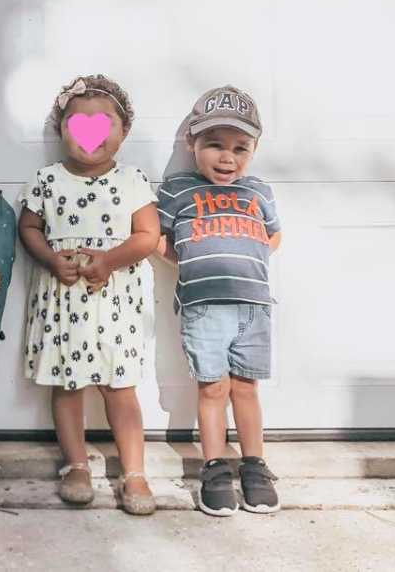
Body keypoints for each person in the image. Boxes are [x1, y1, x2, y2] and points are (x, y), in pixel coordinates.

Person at [18, 75, 160, 515]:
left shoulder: (132, 180)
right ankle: (75, 464)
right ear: (62, 129)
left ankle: (134, 472)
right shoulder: (46, 179)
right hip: (63, 302)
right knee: (67, 386)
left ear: (123, 132)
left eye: (102, 124)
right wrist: (49, 258)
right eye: (77, 123)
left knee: (120, 388)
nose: (89, 134)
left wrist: (110, 260)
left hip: (114, 301)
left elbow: (148, 236)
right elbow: (29, 227)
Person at [156, 85, 282, 516]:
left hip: (253, 306)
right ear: (192, 143)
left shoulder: (258, 191)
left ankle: (254, 465)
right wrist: (190, 260)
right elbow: (161, 239)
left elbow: (274, 235)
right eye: (214, 145)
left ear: (253, 150)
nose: (227, 157)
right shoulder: (177, 189)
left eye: (239, 148)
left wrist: (248, 263)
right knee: (213, 388)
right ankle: (214, 466)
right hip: (204, 306)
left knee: (246, 387)